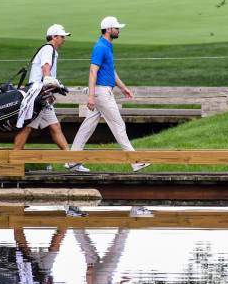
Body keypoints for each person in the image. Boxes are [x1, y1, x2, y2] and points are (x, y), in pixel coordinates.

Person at [66, 16, 150, 173]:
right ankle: (135, 161)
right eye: (117, 28)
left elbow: (111, 71)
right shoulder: (100, 47)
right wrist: (91, 96)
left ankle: (72, 160)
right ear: (109, 29)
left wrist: (123, 88)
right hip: (101, 94)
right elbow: (93, 71)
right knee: (118, 125)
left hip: (102, 92)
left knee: (87, 126)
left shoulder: (107, 46)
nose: (119, 30)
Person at [14, 24, 71, 151]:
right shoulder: (48, 49)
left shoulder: (51, 50)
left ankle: (71, 161)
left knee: (55, 126)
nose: (64, 39)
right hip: (38, 95)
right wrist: (50, 82)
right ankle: (14, 160)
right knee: (27, 127)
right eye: (62, 36)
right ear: (54, 37)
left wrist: (55, 85)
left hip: (43, 94)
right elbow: (45, 67)